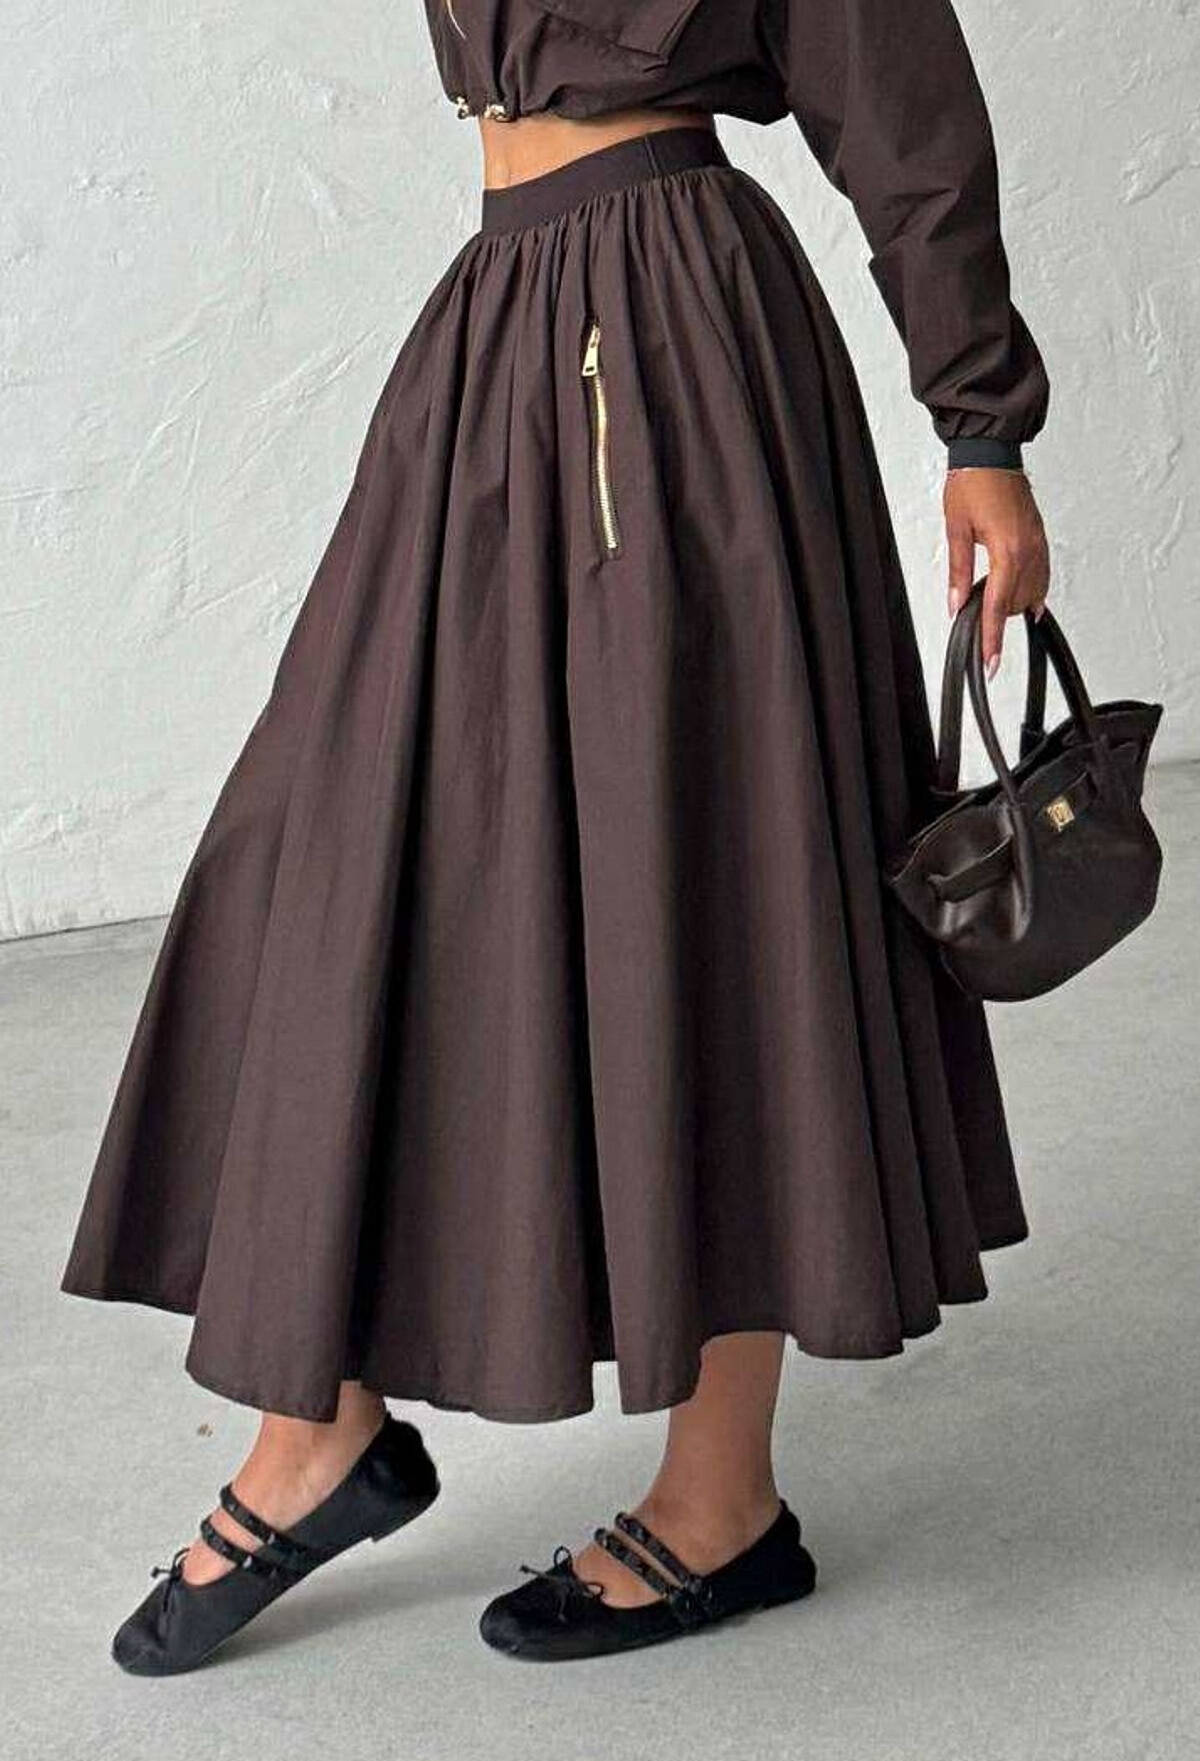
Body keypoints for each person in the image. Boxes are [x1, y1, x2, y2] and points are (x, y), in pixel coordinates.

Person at [61, 0, 1051, 1673]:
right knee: (320, 845)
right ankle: (321, 1422)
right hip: (504, 319)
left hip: (680, 349)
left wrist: (982, 428)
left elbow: (903, 104)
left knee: (715, 872)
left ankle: (722, 1499)